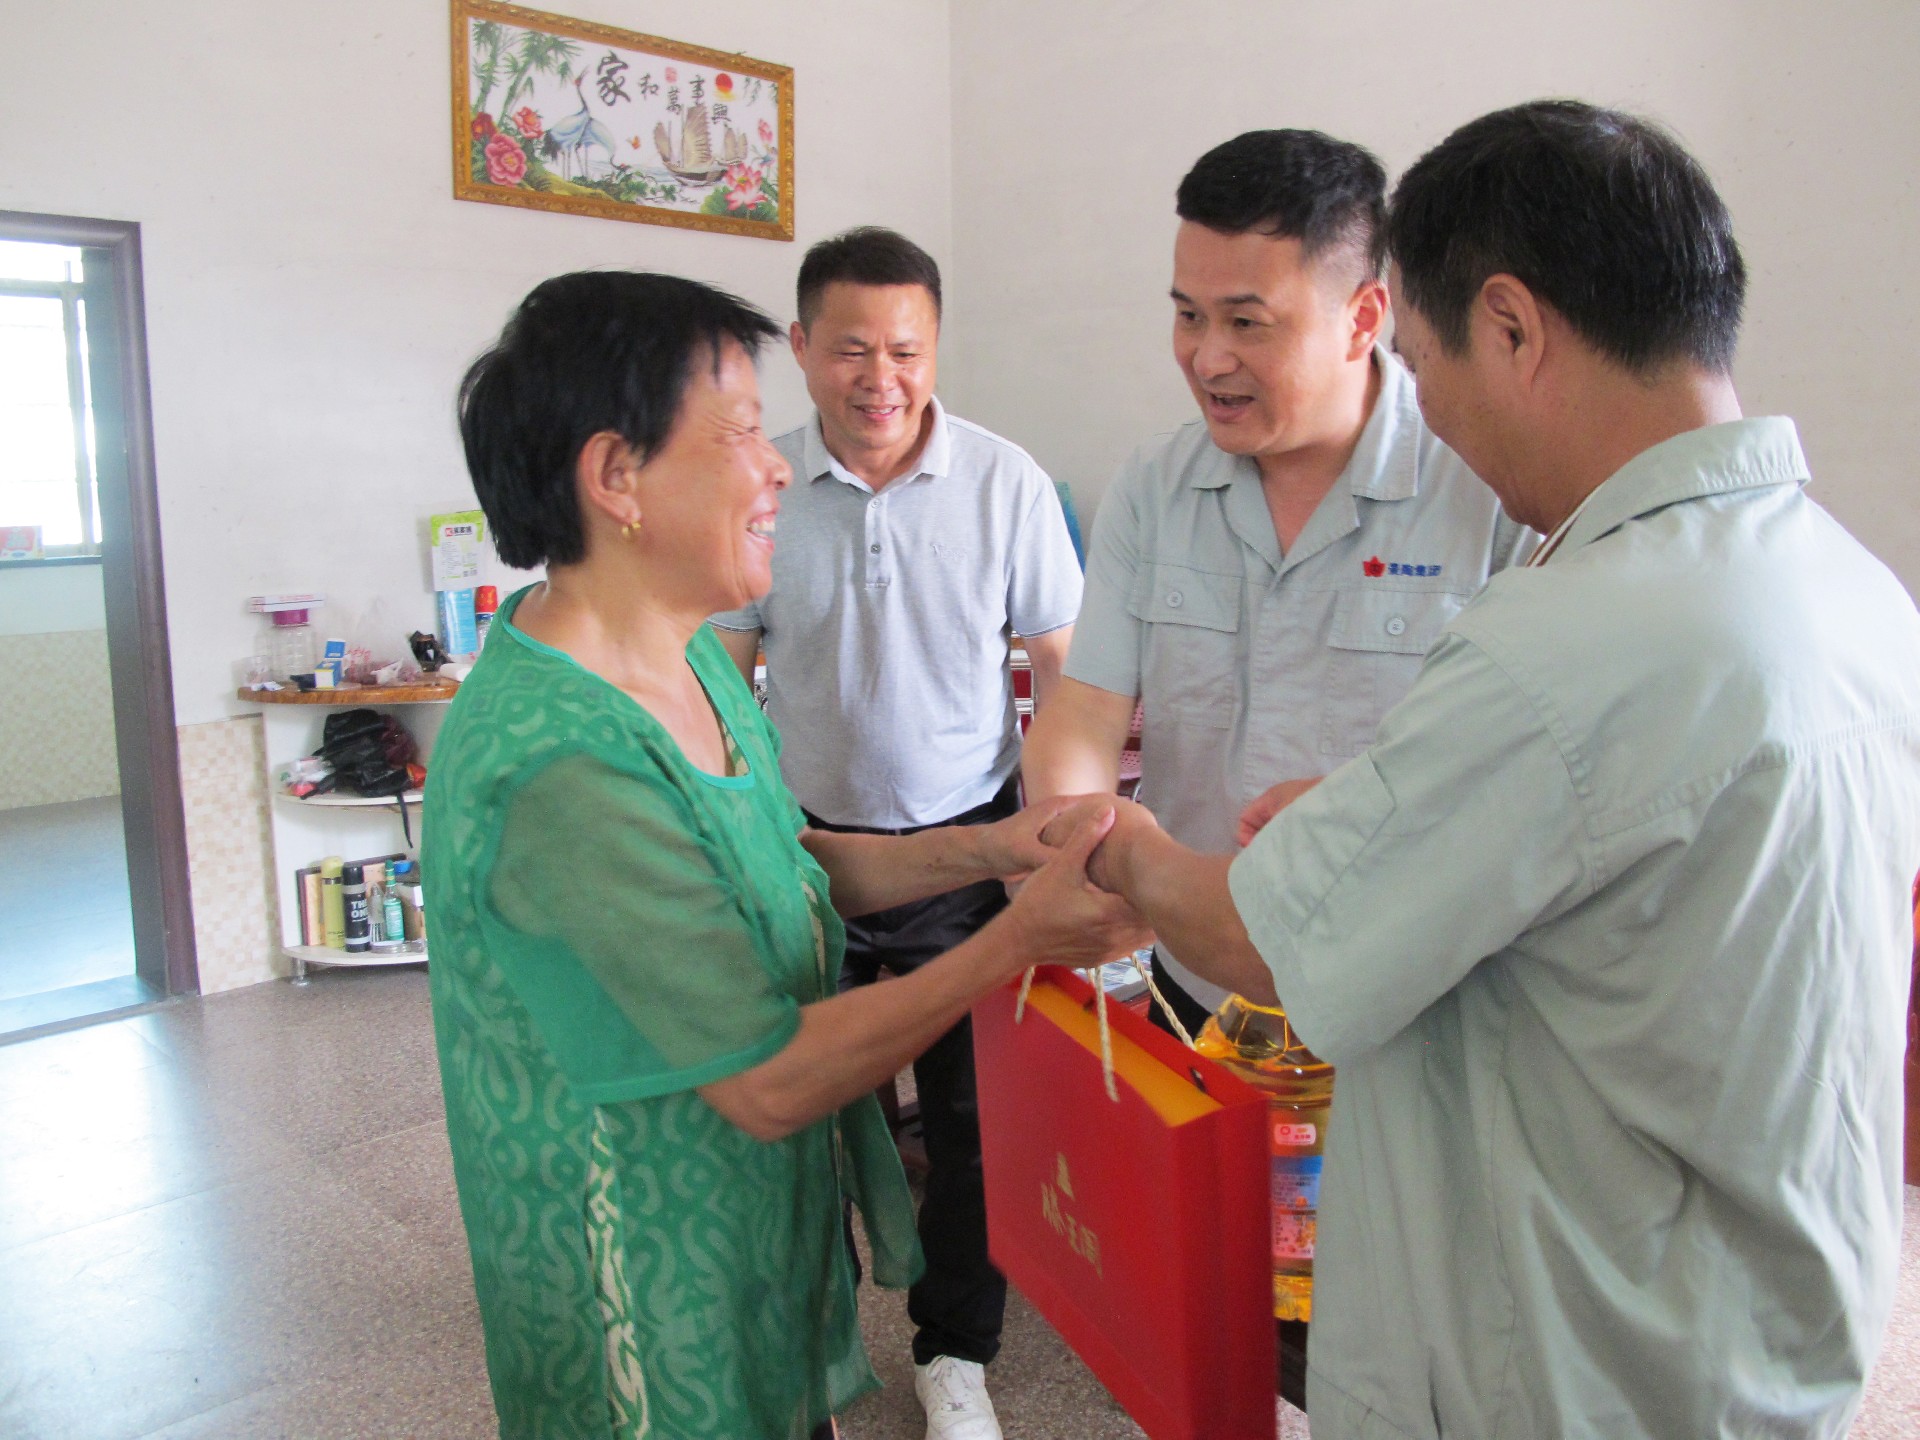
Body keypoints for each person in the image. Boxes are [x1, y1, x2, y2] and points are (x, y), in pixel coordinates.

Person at [1047, 101, 1920, 1438]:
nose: (1435, 412)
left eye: (1422, 358)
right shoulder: (1853, 590)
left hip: (1572, 1343)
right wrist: (1380, 819)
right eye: (1188, 316)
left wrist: (1116, 851)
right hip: (1751, 1300)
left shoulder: (1566, 639)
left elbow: (1273, 932)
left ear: (1508, 327)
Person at [424, 270, 1145, 1440]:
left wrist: (991, 846)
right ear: (616, 477)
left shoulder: (686, 662)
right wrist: (1018, 937)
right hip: (642, 1300)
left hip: (745, 1245)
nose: (775, 469)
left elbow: (778, 863)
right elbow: (765, 1079)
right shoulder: (563, 763)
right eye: (741, 435)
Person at [1020, 129, 1533, 1039]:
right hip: (1194, 981)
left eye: (1247, 322)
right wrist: (1076, 842)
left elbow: (1516, 781)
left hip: (1406, 1009)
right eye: (1188, 316)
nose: (1208, 358)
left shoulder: (1485, 486)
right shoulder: (1156, 487)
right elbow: (1087, 713)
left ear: (1364, 318)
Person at [710, 227, 1082, 1440]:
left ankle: (955, 1355)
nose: (882, 377)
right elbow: (724, 670)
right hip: (805, 856)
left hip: (967, 849)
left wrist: (1056, 833)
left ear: (935, 348)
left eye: (907, 350)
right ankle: (804, 1349)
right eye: (852, 349)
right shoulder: (762, 486)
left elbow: (1063, 668)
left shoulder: (1006, 482)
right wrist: (735, 826)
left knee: (974, 1127)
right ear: (801, 346)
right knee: (796, 1116)